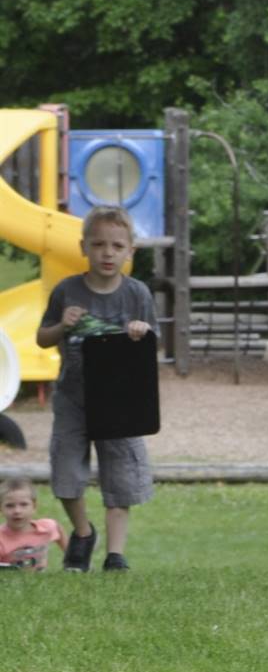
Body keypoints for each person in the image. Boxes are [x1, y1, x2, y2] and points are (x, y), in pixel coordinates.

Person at [34, 205, 157, 573]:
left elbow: (155, 345)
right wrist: (62, 327)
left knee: (120, 476)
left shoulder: (137, 294)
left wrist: (141, 332)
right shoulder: (67, 291)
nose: (107, 252)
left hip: (119, 400)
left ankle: (115, 556)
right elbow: (42, 338)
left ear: (130, 251)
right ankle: (83, 533)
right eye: (99, 244)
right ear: (83, 246)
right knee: (67, 475)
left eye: (117, 245)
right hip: (73, 397)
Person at [2, 476, 68, 570]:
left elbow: (57, 528)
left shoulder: (46, 527)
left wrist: (70, 556)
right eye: (10, 506)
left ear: (34, 506)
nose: (17, 511)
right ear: (1, 509)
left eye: (24, 504)